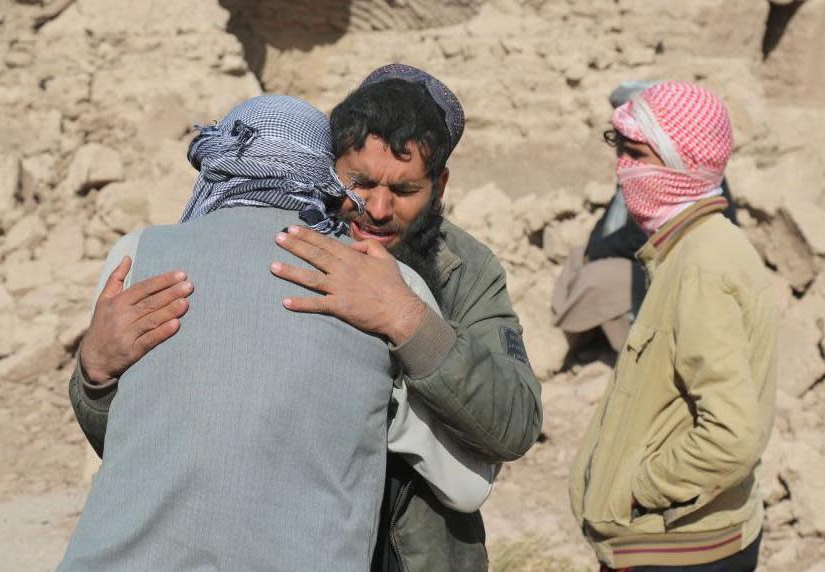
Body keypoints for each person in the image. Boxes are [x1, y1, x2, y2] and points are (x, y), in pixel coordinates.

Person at [70, 65, 543, 572]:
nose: (377, 209)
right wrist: (95, 374)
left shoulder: (462, 272)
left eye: (404, 191)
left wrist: (410, 322)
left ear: (440, 183)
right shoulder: (258, 246)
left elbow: (512, 426)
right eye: (359, 182)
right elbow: (150, 435)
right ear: (324, 165)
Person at [567, 81, 777, 572]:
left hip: (678, 550)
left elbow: (732, 434)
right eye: (619, 150)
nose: (623, 168)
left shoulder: (703, 265)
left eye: (637, 154)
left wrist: (638, 489)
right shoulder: (686, 248)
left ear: (681, 161)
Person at [552, 80, 738, 353]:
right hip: (636, 260)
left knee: (599, 280)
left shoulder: (688, 183)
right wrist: (593, 249)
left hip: (649, 269)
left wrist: (600, 252)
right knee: (578, 260)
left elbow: (643, 237)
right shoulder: (639, 170)